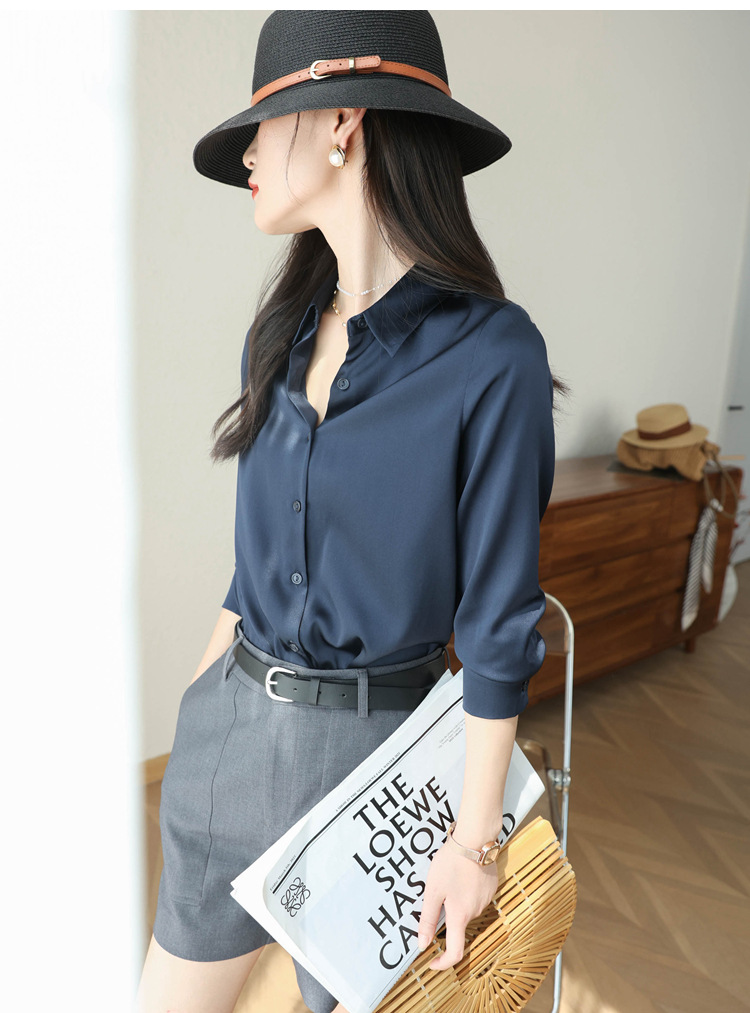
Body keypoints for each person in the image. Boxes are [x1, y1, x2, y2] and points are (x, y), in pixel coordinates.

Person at [136, 10, 569, 1013]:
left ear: (342, 123)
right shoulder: (280, 334)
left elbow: (499, 624)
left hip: (378, 774)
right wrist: (200, 711)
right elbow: (256, 567)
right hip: (229, 739)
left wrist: (473, 843)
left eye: (264, 124)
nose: (249, 154)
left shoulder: (494, 355)